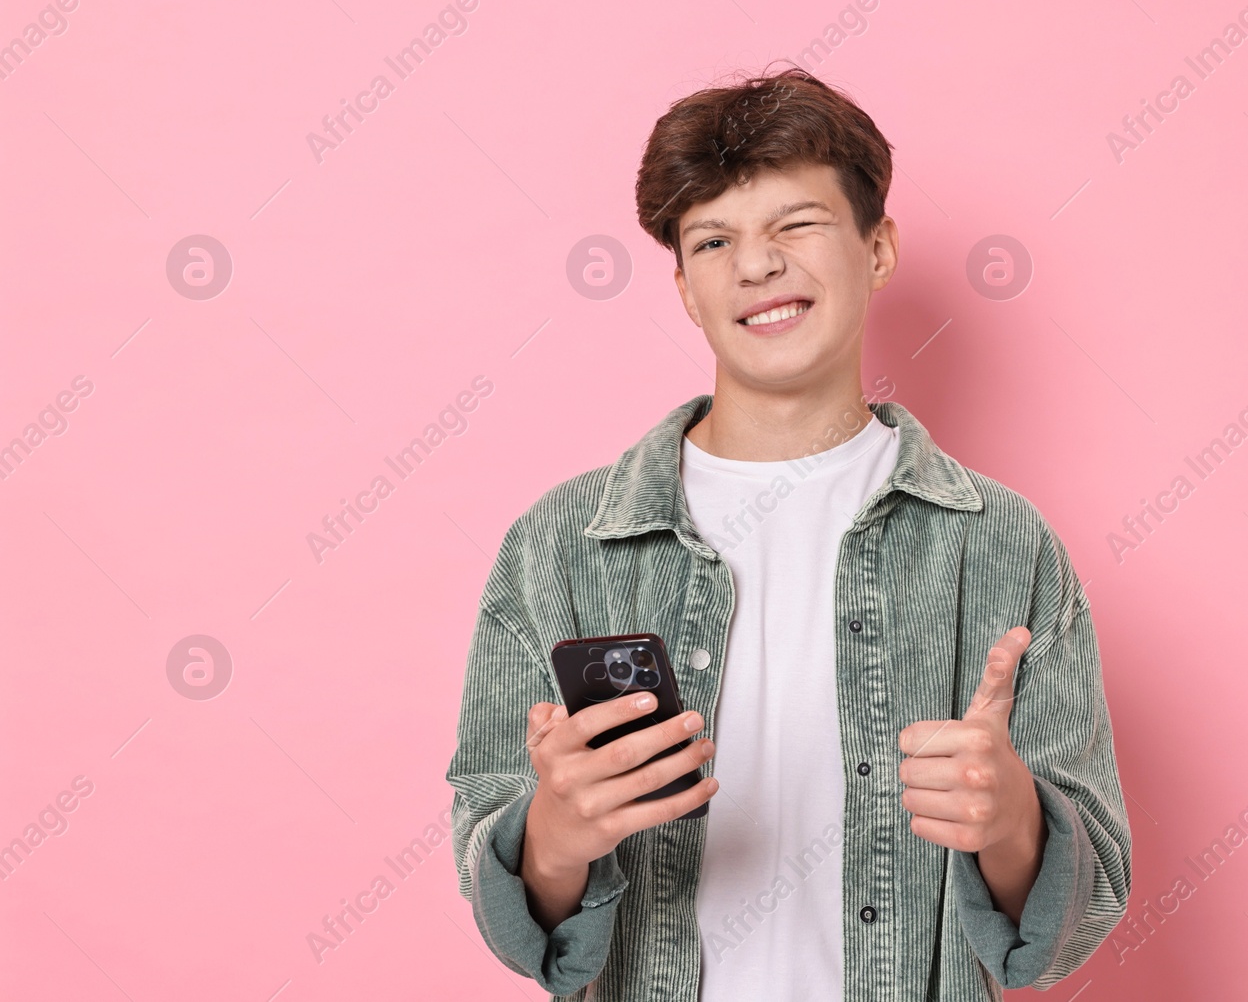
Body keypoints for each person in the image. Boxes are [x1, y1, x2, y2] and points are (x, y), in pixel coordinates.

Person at [446, 66, 1131, 1002]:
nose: (757, 265)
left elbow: (1071, 925)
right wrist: (555, 837)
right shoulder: (563, 545)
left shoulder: (1003, 544)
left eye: (795, 224)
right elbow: (509, 911)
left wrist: (1014, 821)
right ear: (685, 286)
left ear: (879, 248)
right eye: (715, 239)